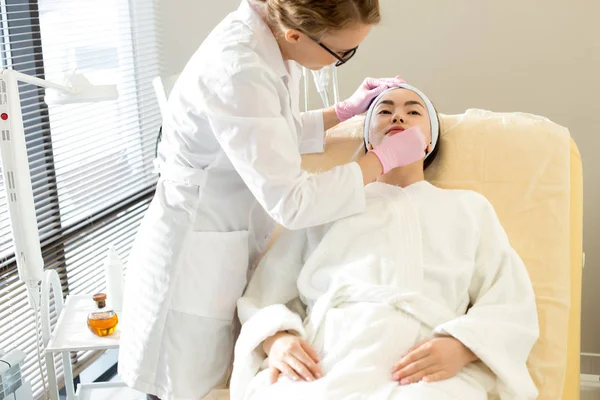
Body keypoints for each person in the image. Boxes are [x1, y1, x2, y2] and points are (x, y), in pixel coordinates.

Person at [118, 0, 428, 399]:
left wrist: (341, 111)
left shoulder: (270, 44)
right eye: (344, 53)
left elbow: (268, 134)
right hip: (194, 251)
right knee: (185, 385)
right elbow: (294, 203)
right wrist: (380, 159)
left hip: (227, 241)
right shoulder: (239, 67)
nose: (345, 60)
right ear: (296, 34)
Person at [231, 84, 540, 400]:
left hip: (423, 366)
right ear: (369, 139)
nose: (398, 116)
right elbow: (267, 291)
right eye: (384, 110)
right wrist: (278, 339)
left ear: (430, 139)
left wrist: (461, 347)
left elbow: (509, 297)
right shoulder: (328, 204)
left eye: (414, 111)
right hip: (328, 357)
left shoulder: (469, 208)